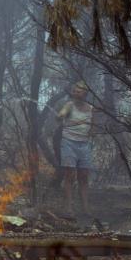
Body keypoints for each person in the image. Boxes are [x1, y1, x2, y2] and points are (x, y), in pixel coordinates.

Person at [57, 81, 94, 216]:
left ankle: (85, 207)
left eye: (79, 91)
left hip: (84, 144)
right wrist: (61, 115)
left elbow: (93, 127)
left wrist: (90, 139)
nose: (76, 93)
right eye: (75, 91)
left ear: (85, 94)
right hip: (69, 143)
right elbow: (61, 114)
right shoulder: (69, 105)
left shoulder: (90, 108)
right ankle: (68, 207)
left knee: (83, 177)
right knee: (70, 175)